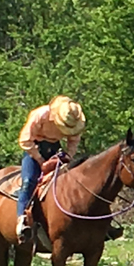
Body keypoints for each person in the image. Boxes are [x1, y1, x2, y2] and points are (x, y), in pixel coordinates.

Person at [16, 96, 85, 241]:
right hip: (35, 148)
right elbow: (24, 140)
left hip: (55, 149)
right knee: (28, 181)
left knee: (73, 180)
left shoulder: (76, 121)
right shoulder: (40, 115)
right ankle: (22, 220)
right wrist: (40, 160)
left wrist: (68, 157)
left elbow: (74, 141)